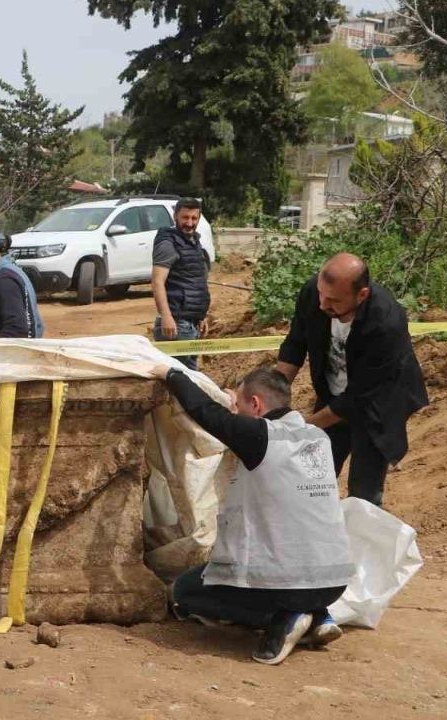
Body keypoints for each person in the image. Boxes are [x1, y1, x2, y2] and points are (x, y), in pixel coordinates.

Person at [150, 365, 354, 665]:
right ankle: (319, 615)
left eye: (239, 405)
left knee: (185, 591)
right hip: (334, 582)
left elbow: (205, 412)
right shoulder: (317, 437)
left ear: (256, 405)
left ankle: (284, 619)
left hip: (290, 584)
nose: (235, 412)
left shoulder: (262, 436)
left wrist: (171, 374)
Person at [275, 253, 428, 506]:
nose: (323, 304)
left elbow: (359, 398)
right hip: (333, 396)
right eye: (321, 294)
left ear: (362, 295)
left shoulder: (386, 322)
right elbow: (295, 345)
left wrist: (304, 426)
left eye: (333, 300)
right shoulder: (314, 295)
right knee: (311, 479)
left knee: (363, 492)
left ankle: (361, 536)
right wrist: (273, 395)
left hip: (376, 406)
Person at [151, 198, 210, 370]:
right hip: (177, 325)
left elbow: (195, 282)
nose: (189, 223)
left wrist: (201, 316)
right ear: (175, 216)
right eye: (185, 218)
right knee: (180, 382)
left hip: (191, 323)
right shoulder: (168, 243)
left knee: (188, 380)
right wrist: (167, 317)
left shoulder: (193, 242)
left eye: (194, 218)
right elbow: (157, 282)